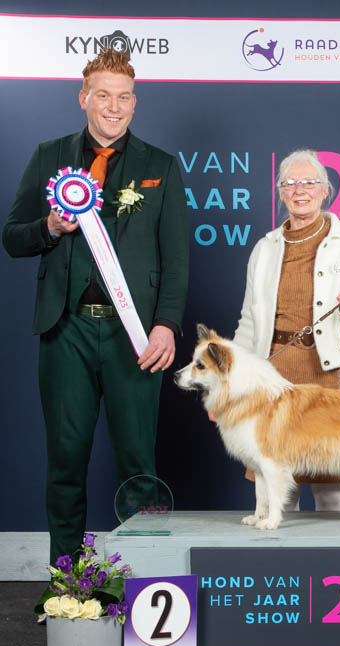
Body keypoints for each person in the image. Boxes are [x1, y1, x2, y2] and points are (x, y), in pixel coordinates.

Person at [2, 48, 189, 564]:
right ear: (83, 98)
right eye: (103, 95)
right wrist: (49, 227)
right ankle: (67, 581)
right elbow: (12, 237)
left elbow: (176, 259)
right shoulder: (49, 155)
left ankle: (145, 580)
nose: (114, 106)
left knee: (138, 464)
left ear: (135, 103)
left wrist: (166, 325)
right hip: (67, 331)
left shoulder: (161, 166)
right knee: (65, 461)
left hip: (136, 338)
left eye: (124, 97)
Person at [233, 149, 340, 511]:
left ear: (325, 190)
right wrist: (232, 381)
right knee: (275, 486)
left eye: (310, 182)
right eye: (290, 183)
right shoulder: (264, 249)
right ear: (280, 193)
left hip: (329, 375)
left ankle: (332, 548)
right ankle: (278, 547)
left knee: (331, 488)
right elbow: (248, 320)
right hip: (274, 376)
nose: (300, 190)